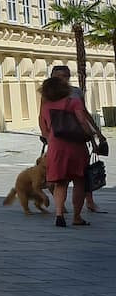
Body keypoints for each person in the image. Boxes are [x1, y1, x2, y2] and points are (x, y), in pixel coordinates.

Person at [40, 73, 95, 227]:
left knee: (60, 182)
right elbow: (83, 121)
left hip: (56, 147)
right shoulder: (74, 102)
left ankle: (59, 214)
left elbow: (45, 127)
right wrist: (91, 135)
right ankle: (77, 217)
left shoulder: (46, 106)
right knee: (79, 181)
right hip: (75, 145)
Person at [51, 64, 104, 212]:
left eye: (65, 76)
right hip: (59, 139)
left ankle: (89, 201)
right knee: (61, 177)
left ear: (69, 77)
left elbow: (84, 114)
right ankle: (61, 209)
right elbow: (43, 116)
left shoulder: (75, 92)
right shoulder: (49, 94)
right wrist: (47, 135)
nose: (62, 80)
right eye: (58, 77)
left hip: (78, 137)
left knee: (83, 173)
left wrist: (97, 134)